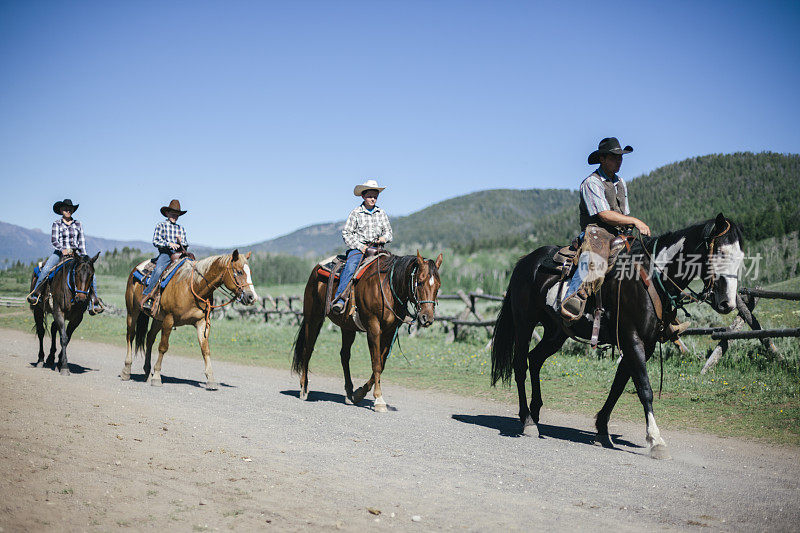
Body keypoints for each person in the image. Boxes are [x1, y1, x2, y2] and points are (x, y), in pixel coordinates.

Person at [561, 137, 688, 338]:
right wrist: (635, 221)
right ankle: (574, 298)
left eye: (620, 157)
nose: (619, 161)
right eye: (614, 157)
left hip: (620, 233)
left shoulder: (620, 183)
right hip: (597, 231)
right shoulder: (591, 182)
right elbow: (603, 214)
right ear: (602, 158)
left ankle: (661, 315)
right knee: (595, 258)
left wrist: (629, 224)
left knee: (648, 261)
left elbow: (623, 213)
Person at [27, 199, 104, 314]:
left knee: (90, 275)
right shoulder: (57, 223)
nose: (68, 210)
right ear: (61, 210)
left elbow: (81, 243)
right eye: (65, 208)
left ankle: (93, 302)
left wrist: (84, 257)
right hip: (59, 254)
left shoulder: (78, 224)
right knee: (47, 269)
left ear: (73, 210)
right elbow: (54, 240)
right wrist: (62, 250)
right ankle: (36, 294)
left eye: (70, 209)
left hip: (76, 255)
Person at [330, 179, 393, 315]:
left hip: (378, 249)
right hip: (359, 249)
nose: (373, 198)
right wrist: (360, 247)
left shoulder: (381, 213)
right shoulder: (356, 213)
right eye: (370, 196)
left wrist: (384, 238)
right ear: (363, 196)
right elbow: (346, 233)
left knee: (393, 267)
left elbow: (389, 232)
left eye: (375, 196)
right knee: (351, 266)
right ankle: (340, 299)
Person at [141, 199, 189, 314]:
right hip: (166, 253)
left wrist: (181, 242)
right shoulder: (161, 225)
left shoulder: (181, 228)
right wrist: (169, 243)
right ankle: (148, 296)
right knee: (158, 270)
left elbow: (186, 244)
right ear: (167, 213)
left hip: (179, 254)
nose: (175, 216)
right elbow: (155, 241)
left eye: (177, 215)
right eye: (173, 214)